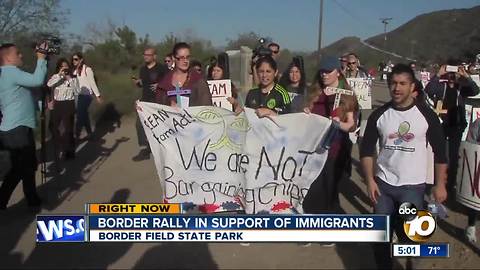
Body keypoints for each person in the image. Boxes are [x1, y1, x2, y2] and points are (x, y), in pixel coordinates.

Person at [360, 63, 448, 269]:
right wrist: (370, 180)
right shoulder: (379, 115)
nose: (397, 88)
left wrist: (440, 184)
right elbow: (365, 152)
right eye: (393, 83)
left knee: (412, 238)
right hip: (383, 186)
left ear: (412, 86)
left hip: (413, 188)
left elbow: (441, 154)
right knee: (380, 237)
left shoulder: (426, 115)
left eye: (402, 83)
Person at [302, 56, 359, 219]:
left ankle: (329, 225)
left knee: (329, 189)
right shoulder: (314, 92)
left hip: (334, 150)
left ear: (338, 73)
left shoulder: (347, 95)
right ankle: (308, 223)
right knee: (311, 189)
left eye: (328, 72)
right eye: (322, 72)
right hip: (312, 149)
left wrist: (338, 124)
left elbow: (351, 125)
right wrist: (305, 113)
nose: (324, 75)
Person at [0, 42, 48, 210]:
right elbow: (37, 80)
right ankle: (6, 200)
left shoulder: (8, 74)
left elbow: (26, 95)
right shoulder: (10, 72)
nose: (21, 55)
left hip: (18, 127)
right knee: (22, 168)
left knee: (26, 166)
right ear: (7, 57)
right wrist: (41, 59)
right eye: (17, 53)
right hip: (16, 128)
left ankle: (32, 200)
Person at [425, 64, 480, 192]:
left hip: (456, 125)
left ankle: (450, 184)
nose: (452, 76)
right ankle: (438, 181)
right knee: (440, 153)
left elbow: (476, 91)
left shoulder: (461, 88)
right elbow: (428, 90)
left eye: (454, 73)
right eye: (450, 73)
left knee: (454, 155)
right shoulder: (441, 86)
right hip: (441, 123)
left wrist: (466, 76)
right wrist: (438, 74)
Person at [132, 47, 168, 161]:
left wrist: (160, 85)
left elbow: (170, 81)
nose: (145, 56)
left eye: (148, 54)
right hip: (145, 100)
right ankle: (145, 148)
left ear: (154, 56)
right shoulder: (143, 69)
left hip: (159, 101)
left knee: (159, 125)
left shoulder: (162, 68)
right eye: (144, 54)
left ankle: (164, 149)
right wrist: (138, 83)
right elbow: (144, 83)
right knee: (139, 124)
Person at [156, 42, 212, 107]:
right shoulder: (164, 83)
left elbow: (206, 107)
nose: (185, 61)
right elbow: (158, 106)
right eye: (181, 58)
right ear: (174, 58)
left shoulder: (198, 80)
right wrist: (169, 105)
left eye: (187, 57)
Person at [47, 58, 80, 160]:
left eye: (66, 66)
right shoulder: (55, 77)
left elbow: (77, 91)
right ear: (59, 67)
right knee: (53, 127)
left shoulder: (73, 78)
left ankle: (69, 151)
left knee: (68, 129)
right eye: (62, 66)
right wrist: (59, 75)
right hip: (58, 104)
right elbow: (49, 84)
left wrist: (69, 78)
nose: (64, 68)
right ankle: (60, 145)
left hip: (68, 104)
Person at [72, 52, 102, 141]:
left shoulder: (87, 69)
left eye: (76, 59)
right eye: (73, 59)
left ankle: (76, 135)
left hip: (87, 95)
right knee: (83, 114)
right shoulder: (75, 71)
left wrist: (98, 96)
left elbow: (92, 83)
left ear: (81, 60)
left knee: (80, 115)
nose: (74, 61)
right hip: (78, 95)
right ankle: (89, 133)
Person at [465, 118, 480, 243]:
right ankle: (471, 226)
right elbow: (470, 142)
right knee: (475, 199)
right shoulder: (478, 123)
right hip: (479, 167)